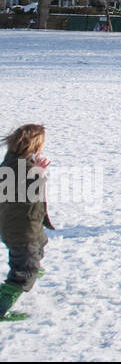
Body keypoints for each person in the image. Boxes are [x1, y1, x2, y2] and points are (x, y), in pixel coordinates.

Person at [0, 124, 55, 321]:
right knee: (24, 272)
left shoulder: (12, 161)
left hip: (22, 225)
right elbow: (28, 193)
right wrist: (39, 173)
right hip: (22, 230)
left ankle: (33, 266)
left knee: (40, 243)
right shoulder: (24, 169)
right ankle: (1, 306)